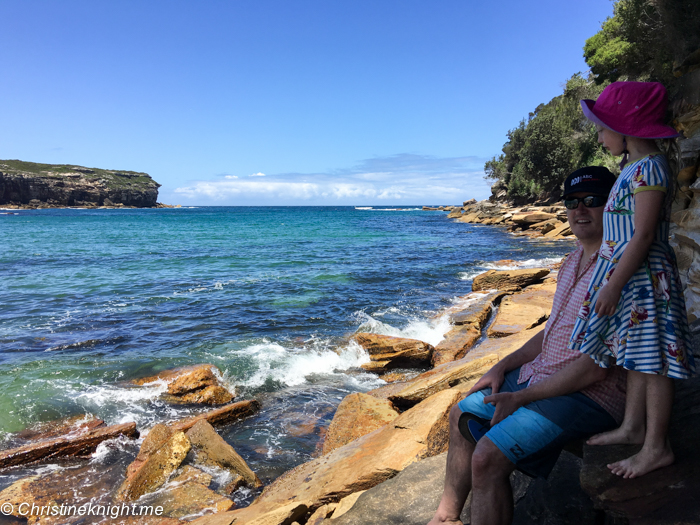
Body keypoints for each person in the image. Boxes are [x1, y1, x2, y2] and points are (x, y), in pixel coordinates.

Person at [428, 166, 626, 525]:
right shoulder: (569, 262)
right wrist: (500, 367)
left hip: (590, 395)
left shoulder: (618, 270)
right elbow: (550, 332)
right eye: (572, 202)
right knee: (461, 413)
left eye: (592, 201)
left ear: (612, 205)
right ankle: (445, 517)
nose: (580, 210)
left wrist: (521, 398)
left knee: (487, 456)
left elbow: (597, 366)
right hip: (542, 376)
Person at [569, 81, 695, 479]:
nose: (601, 135)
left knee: (654, 361)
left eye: (604, 127)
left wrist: (613, 284)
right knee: (638, 356)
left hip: (641, 278)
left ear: (627, 128)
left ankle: (656, 446)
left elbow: (641, 235)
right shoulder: (634, 168)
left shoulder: (650, 169)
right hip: (631, 276)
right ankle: (632, 426)